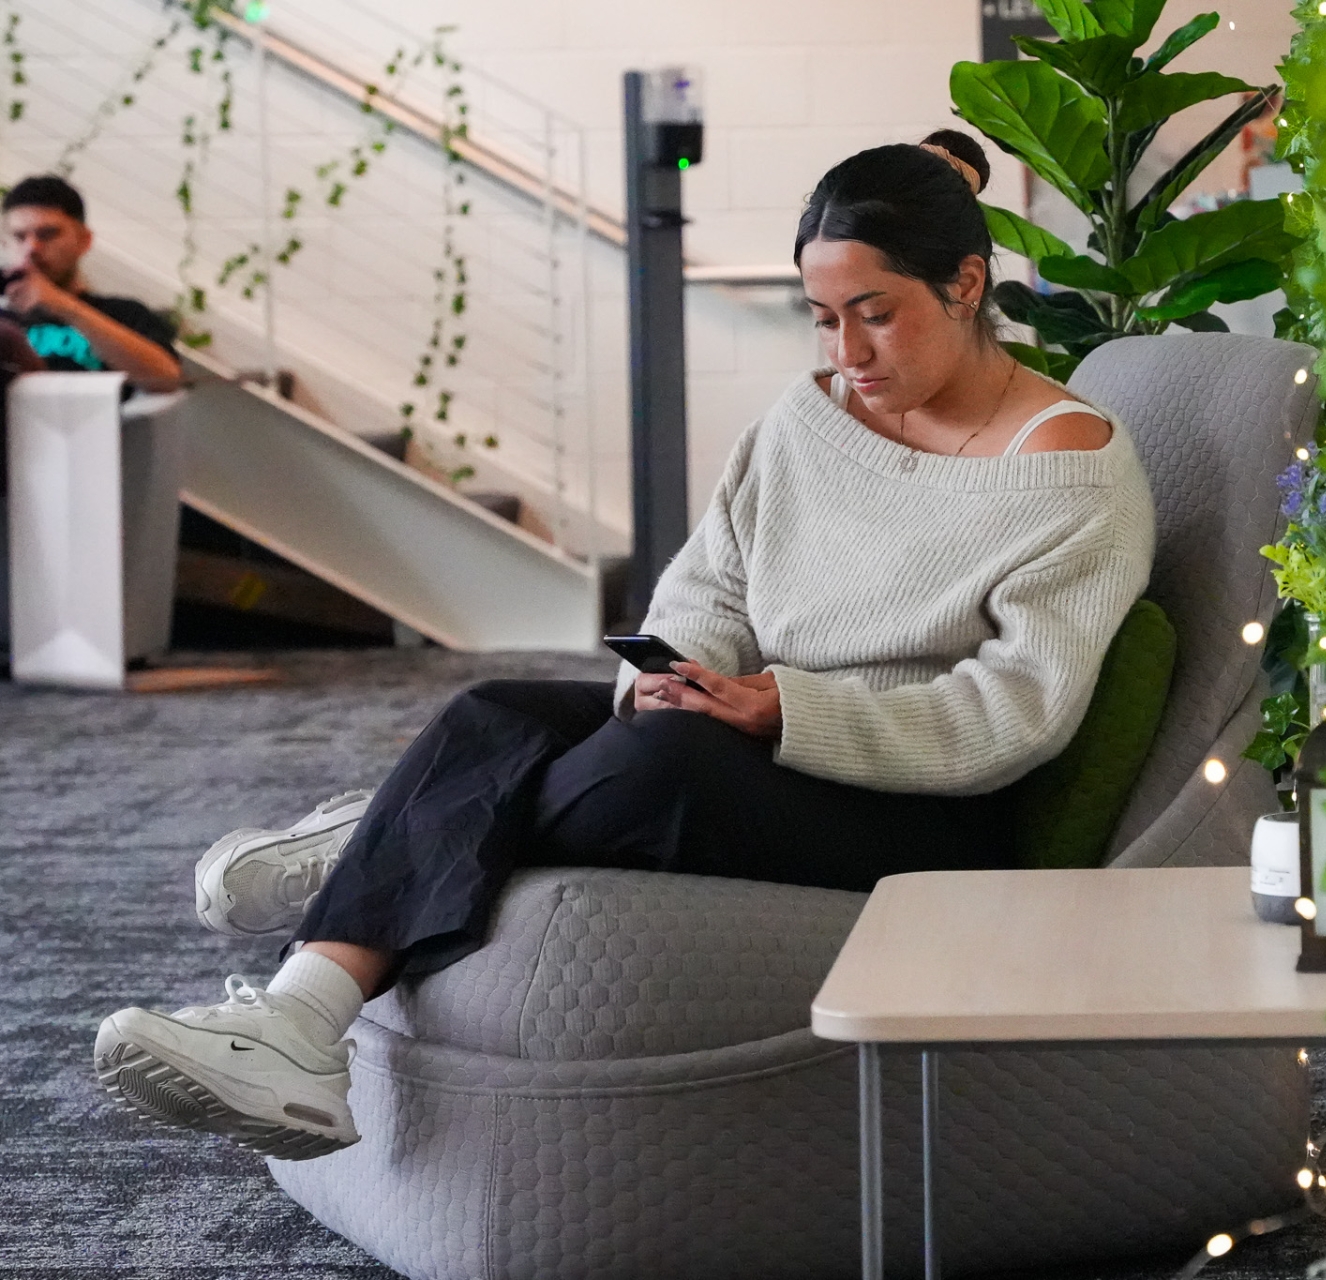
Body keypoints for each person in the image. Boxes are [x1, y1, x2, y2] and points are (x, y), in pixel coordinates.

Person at [93, 130, 1155, 1161]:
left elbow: (1016, 710)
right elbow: (709, 581)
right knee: (492, 711)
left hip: (925, 812)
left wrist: (783, 706)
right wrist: (672, 672)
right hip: (756, 736)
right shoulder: (811, 415)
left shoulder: (1070, 466)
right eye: (822, 318)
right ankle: (296, 1025)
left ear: (966, 283)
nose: (845, 352)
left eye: (875, 316)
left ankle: (379, 835)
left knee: (657, 766)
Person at [0, 175, 182, 393]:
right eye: (20, 237)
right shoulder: (5, 319)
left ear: (83, 240)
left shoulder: (123, 313)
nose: (31, 248)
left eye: (47, 234)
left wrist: (61, 304)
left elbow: (166, 379)